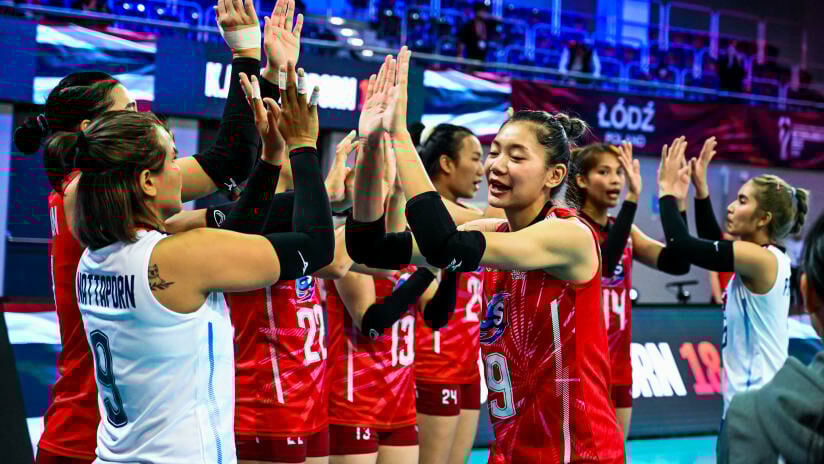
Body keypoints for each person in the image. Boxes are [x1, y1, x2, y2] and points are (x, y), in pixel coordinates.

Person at [13, 0, 267, 461]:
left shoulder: (81, 191)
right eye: (129, 111)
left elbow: (228, 165)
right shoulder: (96, 190)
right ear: (93, 128)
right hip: (94, 438)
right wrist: (246, 54)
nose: (143, 119)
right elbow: (229, 160)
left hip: (87, 427)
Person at [346, 50, 624, 463]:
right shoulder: (495, 232)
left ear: (554, 175)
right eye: (495, 151)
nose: (496, 165)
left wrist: (401, 137)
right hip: (511, 451)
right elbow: (368, 247)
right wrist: (373, 144)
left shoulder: (570, 235)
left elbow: (444, 246)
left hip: (578, 454)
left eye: (517, 156)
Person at [65, 60, 333, 462]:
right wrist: (304, 146)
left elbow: (234, 241)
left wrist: (271, 158)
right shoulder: (178, 256)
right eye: (172, 160)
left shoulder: (93, 258)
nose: (180, 170)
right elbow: (316, 247)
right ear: (147, 181)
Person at [656, 136, 809, 459]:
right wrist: (701, 190)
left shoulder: (760, 260)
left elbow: (683, 245)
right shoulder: (766, 257)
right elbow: (713, 243)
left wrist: (667, 192)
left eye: (742, 201)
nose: (731, 207)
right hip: (753, 407)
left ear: (764, 218)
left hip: (756, 410)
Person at [565, 141, 691, 439]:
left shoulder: (626, 231)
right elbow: (606, 264)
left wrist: (676, 202)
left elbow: (679, 263)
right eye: (604, 172)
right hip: (578, 363)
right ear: (581, 180)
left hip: (618, 362)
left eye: (619, 172)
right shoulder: (571, 228)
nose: (615, 180)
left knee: (617, 451)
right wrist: (633, 198)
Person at [717, 211, 824, 464]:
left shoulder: (749, 418)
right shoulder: (775, 260)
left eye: (743, 200)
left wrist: (672, 198)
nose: (732, 208)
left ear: (807, 294)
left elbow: (688, 246)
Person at [407, 123, 485, 464]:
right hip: (434, 364)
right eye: (476, 158)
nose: (483, 169)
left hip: (468, 366)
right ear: (446, 163)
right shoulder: (422, 219)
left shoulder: (473, 218)